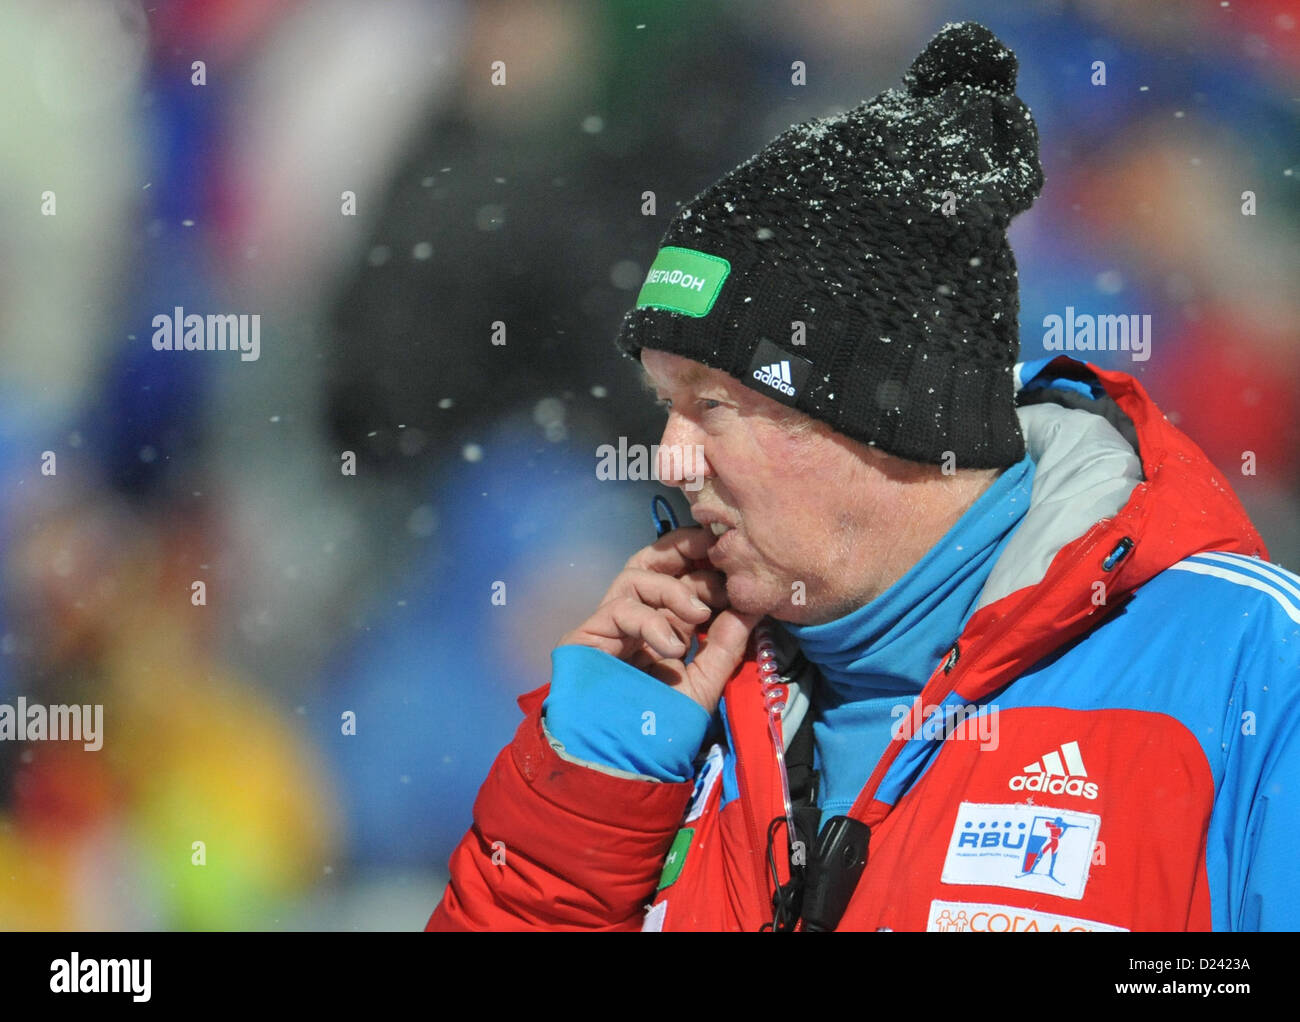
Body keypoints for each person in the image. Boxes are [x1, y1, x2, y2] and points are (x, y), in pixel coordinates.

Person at [426, 21, 1299, 932]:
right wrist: (577, 815)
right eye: (664, 404)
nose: (668, 458)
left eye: (713, 405)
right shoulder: (666, 708)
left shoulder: (1248, 670)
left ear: (888, 418)